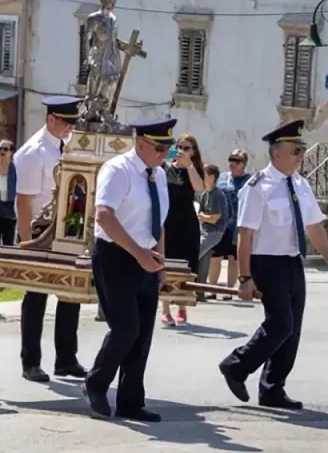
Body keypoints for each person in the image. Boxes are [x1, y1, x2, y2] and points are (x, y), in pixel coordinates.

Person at [218, 120, 328, 410]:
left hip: (291, 262)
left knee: (293, 329)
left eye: (301, 150)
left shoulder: (300, 184)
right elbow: (245, 235)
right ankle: (236, 365)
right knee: (280, 323)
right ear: (277, 154)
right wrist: (245, 277)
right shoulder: (257, 187)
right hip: (266, 263)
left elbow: (315, 229)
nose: (301, 155)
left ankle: (273, 388)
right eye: (296, 150)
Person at [85, 118, 173, 421]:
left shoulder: (158, 176)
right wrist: (139, 254)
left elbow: (158, 221)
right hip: (117, 257)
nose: (165, 154)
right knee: (126, 329)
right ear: (141, 143)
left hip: (146, 258)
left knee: (143, 334)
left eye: (168, 149)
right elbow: (104, 216)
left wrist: (159, 263)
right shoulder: (118, 170)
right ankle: (95, 383)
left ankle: (131, 401)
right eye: (160, 148)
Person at [14, 96, 88, 383]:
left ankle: (66, 358)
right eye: (66, 123)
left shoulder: (65, 147)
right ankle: (30, 360)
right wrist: (25, 244)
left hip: (68, 228)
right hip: (39, 229)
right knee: (35, 295)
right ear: (52, 120)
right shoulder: (35, 151)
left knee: (70, 293)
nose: (70, 128)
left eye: (72, 123)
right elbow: (24, 201)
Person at [160, 133, 205, 326]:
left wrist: (189, 166)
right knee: (167, 262)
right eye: (180, 147)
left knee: (185, 264)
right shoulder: (165, 168)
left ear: (194, 151)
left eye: (187, 148)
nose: (182, 151)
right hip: (168, 221)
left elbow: (200, 188)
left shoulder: (194, 169)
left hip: (186, 221)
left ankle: (182, 306)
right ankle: (165, 308)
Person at [209, 149, 253, 296]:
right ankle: (212, 288)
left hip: (238, 225)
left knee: (234, 259)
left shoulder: (250, 181)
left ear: (244, 164)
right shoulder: (221, 178)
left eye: (237, 160)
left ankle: (229, 290)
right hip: (221, 224)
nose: (233, 163)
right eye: (231, 159)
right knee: (215, 257)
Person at [196, 164, 227, 284]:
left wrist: (203, 217)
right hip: (203, 230)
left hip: (214, 232)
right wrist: (203, 217)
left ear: (212, 177)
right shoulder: (204, 194)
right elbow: (200, 215)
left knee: (194, 255)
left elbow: (214, 218)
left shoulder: (217, 195)